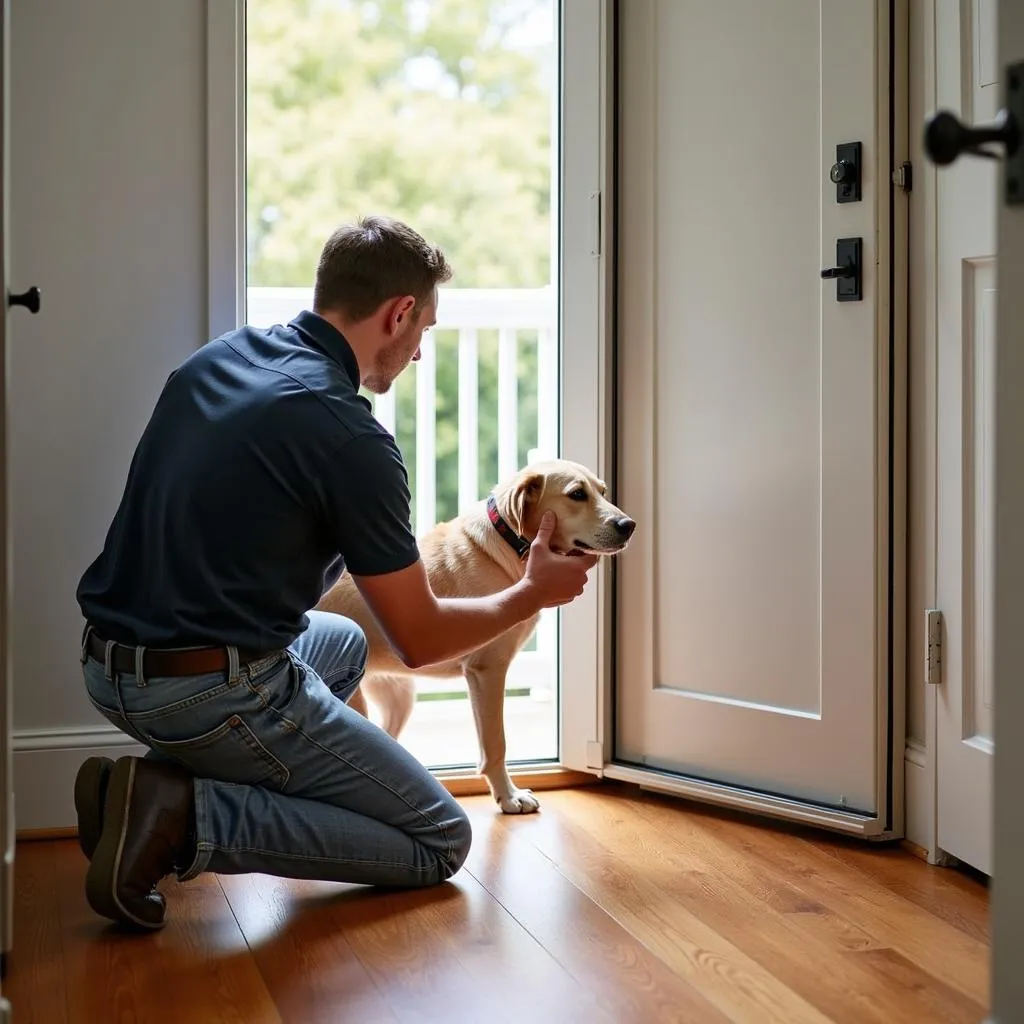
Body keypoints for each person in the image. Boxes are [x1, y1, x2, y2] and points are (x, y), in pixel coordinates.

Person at [73, 214, 598, 931]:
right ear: (399, 313)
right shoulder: (350, 437)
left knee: (345, 643)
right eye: (425, 331)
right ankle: (184, 815)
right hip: (204, 688)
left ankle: (147, 792)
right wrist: (532, 592)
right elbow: (418, 640)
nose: (418, 354)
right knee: (437, 839)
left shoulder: (217, 360)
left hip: (109, 668)